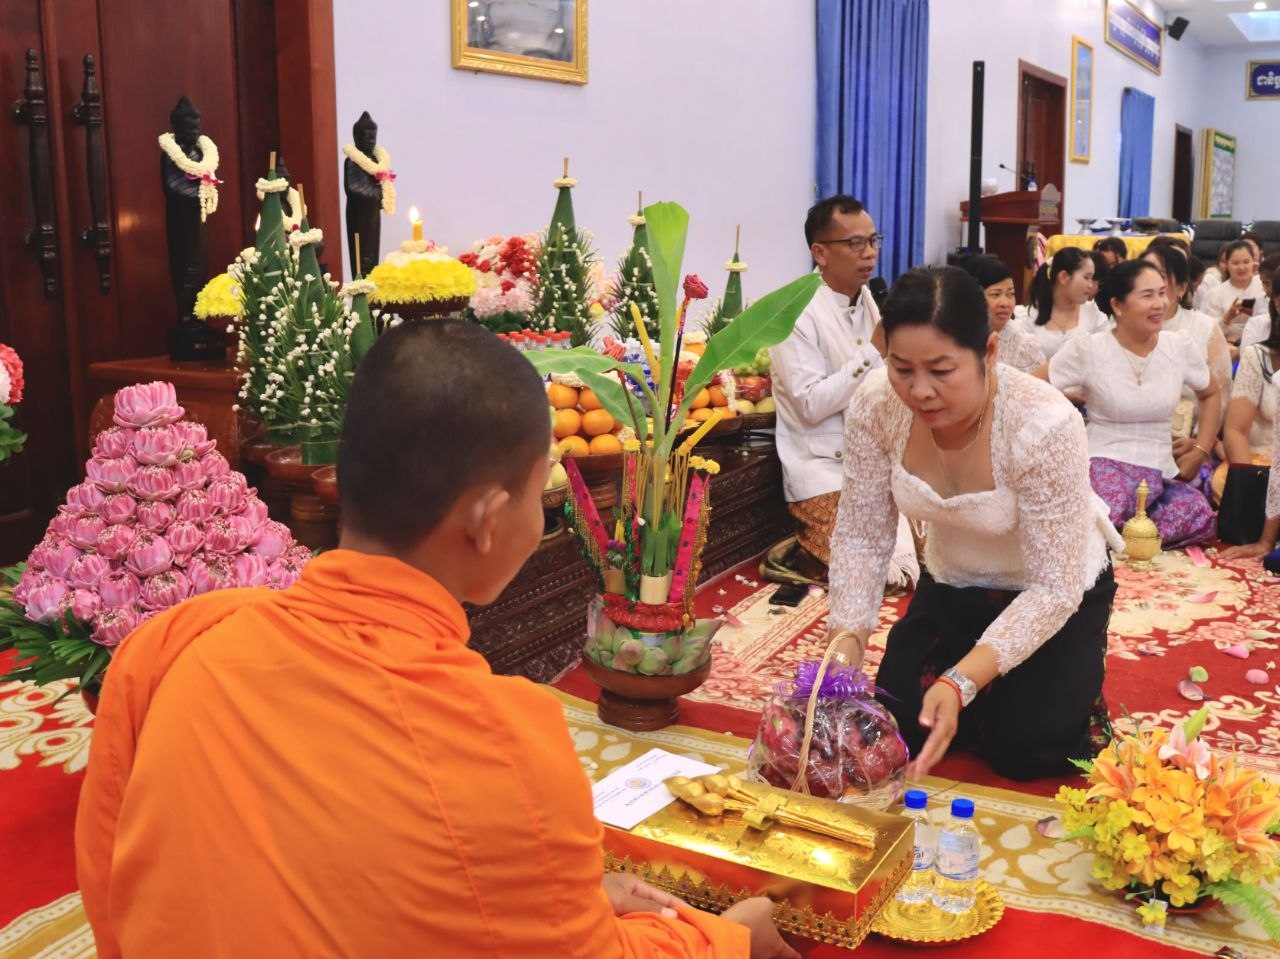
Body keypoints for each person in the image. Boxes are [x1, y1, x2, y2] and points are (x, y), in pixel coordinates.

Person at [76, 321, 796, 959]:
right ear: (486, 520)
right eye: (538, 487)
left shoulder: (177, 642)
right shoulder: (505, 742)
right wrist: (727, 936)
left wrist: (564, 894)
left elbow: (116, 890)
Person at [825, 266, 1120, 782]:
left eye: (941, 371)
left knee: (1027, 749)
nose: (920, 391)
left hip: (1050, 591)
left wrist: (961, 681)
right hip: (954, 582)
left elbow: (1055, 587)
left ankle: (1050, 689)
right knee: (895, 726)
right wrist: (847, 637)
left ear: (989, 351)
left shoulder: (1043, 422)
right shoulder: (877, 406)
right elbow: (862, 535)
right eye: (901, 368)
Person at [770, 194, 917, 587]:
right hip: (823, 470)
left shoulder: (870, 300)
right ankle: (805, 550)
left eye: (872, 240)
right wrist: (873, 351)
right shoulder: (794, 313)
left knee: (940, 550)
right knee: (869, 574)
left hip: (878, 463)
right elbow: (809, 404)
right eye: (854, 243)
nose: (869, 253)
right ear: (820, 252)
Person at [1045, 260, 1221, 548]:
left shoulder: (1178, 346)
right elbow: (1032, 387)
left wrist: (1201, 449)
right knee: (1108, 506)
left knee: (1197, 513)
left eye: (1162, 293)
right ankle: (1115, 535)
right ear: (1118, 305)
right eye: (1147, 295)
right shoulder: (1089, 349)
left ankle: (1117, 538)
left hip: (1163, 469)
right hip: (1104, 463)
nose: (1160, 304)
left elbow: (1211, 393)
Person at [1141, 244, 1232, 480]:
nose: (1150, 281)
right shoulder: (1119, 327)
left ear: (1181, 288)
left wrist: (1200, 443)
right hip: (1130, 445)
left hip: (1186, 445)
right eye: (1144, 271)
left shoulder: (1203, 329)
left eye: (1160, 275)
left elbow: (1220, 395)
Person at [958, 255, 1044, 373]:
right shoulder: (954, 336)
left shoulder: (1024, 345)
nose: (1005, 303)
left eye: (1010, 294)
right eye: (995, 294)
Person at [1012, 247, 1102, 359]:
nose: (1090, 285)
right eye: (1086, 277)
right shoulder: (1028, 317)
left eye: (1092, 278)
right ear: (1064, 277)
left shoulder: (1093, 313)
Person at [1207, 240, 1268, 346]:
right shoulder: (1214, 294)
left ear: (1254, 261)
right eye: (1235, 263)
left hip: (1261, 344)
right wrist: (1227, 317)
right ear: (1227, 264)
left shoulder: (1265, 285)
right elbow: (1207, 330)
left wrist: (1255, 312)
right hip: (1227, 345)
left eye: (1246, 262)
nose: (1241, 267)